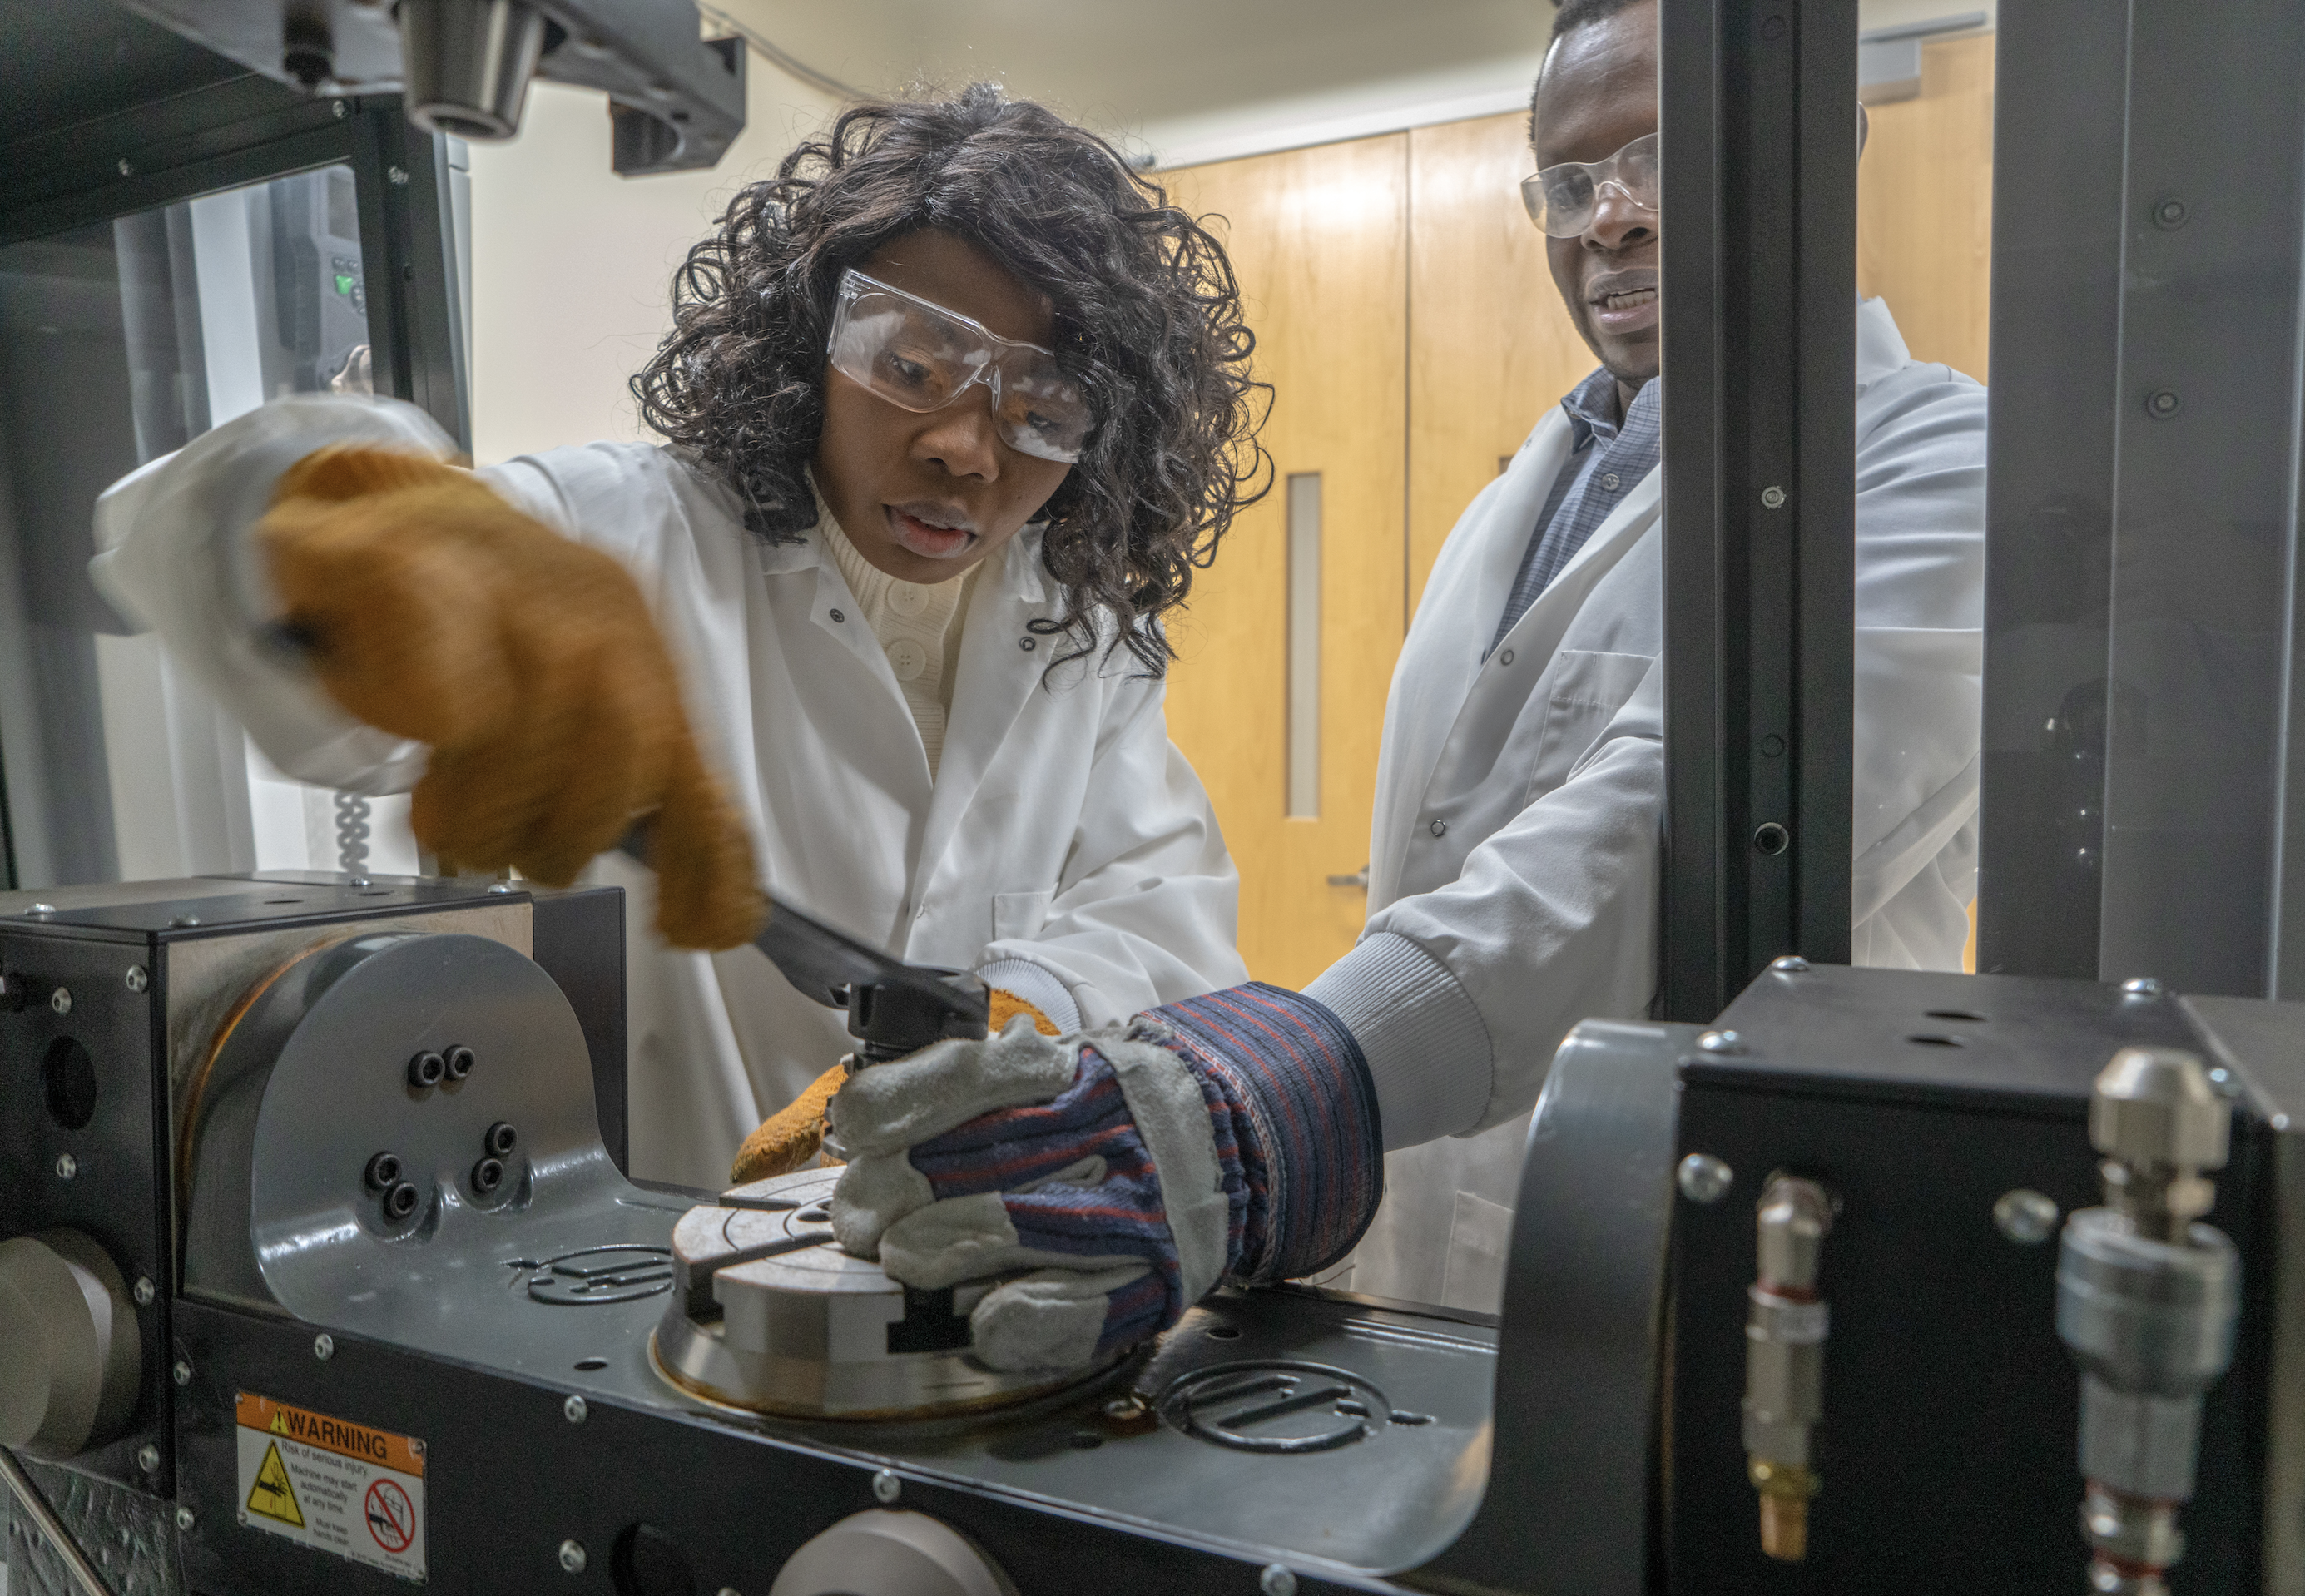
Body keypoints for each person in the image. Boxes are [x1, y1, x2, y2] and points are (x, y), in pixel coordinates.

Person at [816, 0, 1982, 1368]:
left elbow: (1663, 831)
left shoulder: (1934, 465)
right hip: (1430, 1245)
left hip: (1725, 1265)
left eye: (1658, 159)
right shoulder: (1523, 492)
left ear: (1813, 142)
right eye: (1567, 179)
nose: (1606, 220)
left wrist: (1277, 1088)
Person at [87, 87, 1267, 1188]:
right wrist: (341, 519)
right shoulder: (627, 531)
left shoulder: (1084, 640)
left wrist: (1020, 1016)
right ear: (814, 343)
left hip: (975, 1267)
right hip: (655, 1290)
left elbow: (1157, 912)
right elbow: (191, 532)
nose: (965, 444)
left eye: (1042, 410)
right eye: (910, 365)